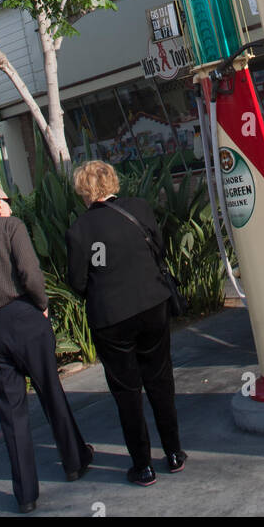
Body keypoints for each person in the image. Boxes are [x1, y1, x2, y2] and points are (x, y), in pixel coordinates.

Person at [0, 182, 93, 513]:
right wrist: (42, 305)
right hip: (24, 320)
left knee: (11, 414)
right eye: (7, 200)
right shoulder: (11, 226)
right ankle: (74, 462)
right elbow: (30, 274)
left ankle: (26, 495)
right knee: (51, 392)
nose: (10, 206)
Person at [66, 160, 186, 487]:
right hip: (152, 303)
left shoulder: (79, 230)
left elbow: (77, 282)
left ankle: (142, 466)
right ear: (112, 181)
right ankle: (174, 453)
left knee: (127, 392)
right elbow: (158, 250)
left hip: (111, 317)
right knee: (160, 379)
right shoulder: (139, 208)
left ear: (83, 190)